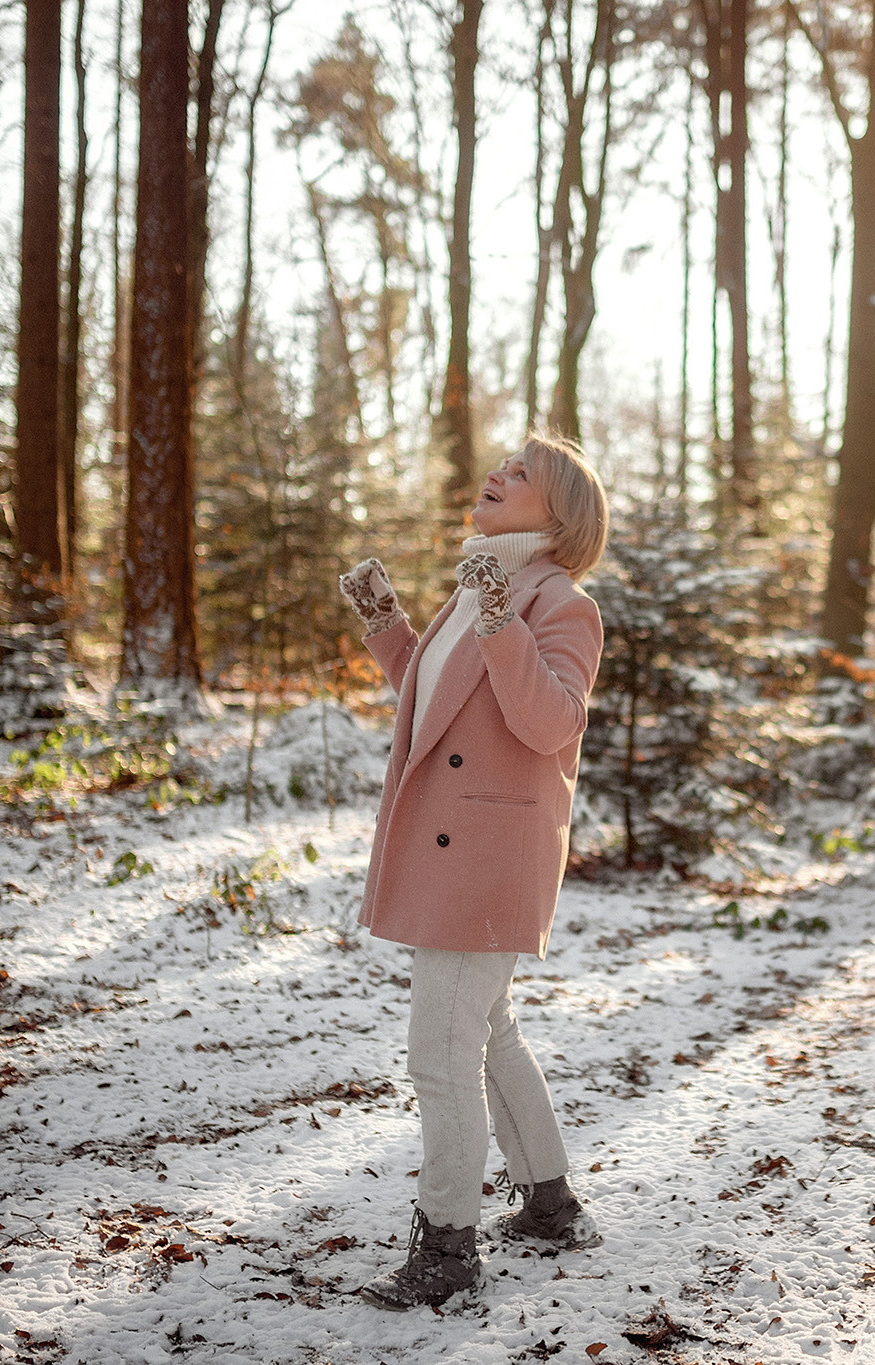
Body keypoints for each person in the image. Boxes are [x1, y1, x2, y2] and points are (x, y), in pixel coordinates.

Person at [335, 432, 609, 1312]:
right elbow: (441, 693)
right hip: (456, 850)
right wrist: (390, 625)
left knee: (440, 1056)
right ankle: (551, 1202)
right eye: (501, 465)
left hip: (487, 858)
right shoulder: (482, 582)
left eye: (519, 474)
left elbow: (548, 720)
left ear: (557, 512)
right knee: (489, 1037)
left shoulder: (561, 603)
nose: (496, 474)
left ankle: (447, 1250)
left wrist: (495, 616)